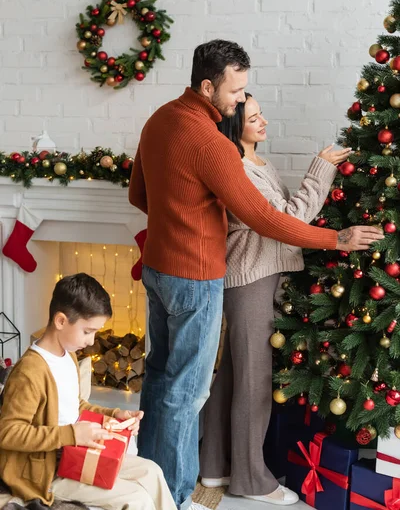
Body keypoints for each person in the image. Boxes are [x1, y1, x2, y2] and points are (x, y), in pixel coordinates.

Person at [128, 39, 383, 510]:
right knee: (188, 391)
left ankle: (146, 479)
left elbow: (138, 196)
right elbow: (265, 220)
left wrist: (182, 214)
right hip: (196, 275)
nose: (241, 101)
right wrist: (336, 239)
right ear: (207, 86)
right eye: (235, 91)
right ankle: (179, 495)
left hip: (159, 269)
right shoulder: (212, 144)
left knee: (160, 379)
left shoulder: (159, 118)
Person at [199, 93, 347, 504]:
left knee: (232, 374)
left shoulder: (258, 162)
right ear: (233, 125)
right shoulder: (236, 168)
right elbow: (286, 220)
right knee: (253, 384)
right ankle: (250, 479)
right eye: (252, 118)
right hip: (250, 281)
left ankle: (212, 467)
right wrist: (321, 170)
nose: (263, 121)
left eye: (261, 113)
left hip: (264, 277)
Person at [0, 273, 177, 510]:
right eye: (87, 331)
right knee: (137, 498)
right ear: (61, 321)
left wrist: (114, 415)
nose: (93, 341)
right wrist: (72, 434)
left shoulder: (68, 355)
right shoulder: (29, 373)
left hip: (76, 453)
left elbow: (75, 406)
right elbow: (8, 433)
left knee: (152, 471)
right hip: (47, 473)